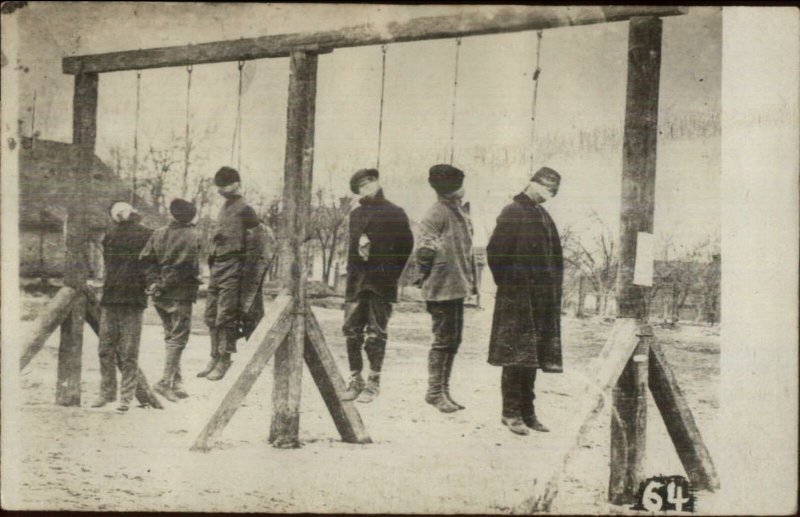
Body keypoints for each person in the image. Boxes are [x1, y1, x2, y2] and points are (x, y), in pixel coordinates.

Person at [486, 166, 564, 435]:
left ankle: (528, 413)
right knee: (515, 355)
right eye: (548, 189)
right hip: (516, 298)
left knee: (531, 357)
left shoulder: (543, 216)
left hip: (540, 300)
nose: (550, 195)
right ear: (534, 183)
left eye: (553, 192)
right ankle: (510, 413)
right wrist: (511, 285)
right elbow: (495, 253)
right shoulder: (512, 211)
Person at [341, 168, 414, 403]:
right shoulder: (356, 214)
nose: (366, 187)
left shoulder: (395, 212)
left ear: (377, 182)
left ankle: (373, 381)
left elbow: (405, 247)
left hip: (381, 283)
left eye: (370, 182)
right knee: (351, 332)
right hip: (356, 282)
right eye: (361, 185)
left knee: (376, 334)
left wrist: (389, 273)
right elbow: (352, 248)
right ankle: (355, 379)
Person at [414, 164, 476, 413]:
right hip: (442, 287)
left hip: (455, 286)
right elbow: (423, 251)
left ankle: (444, 390)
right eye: (461, 184)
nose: (464, 188)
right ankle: (434, 392)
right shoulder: (437, 213)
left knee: (453, 340)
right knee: (443, 341)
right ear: (452, 188)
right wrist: (429, 275)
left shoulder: (457, 211)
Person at [199, 166, 263, 381]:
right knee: (210, 313)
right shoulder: (224, 207)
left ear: (236, 184)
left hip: (234, 267)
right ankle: (214, 356)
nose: (221, 190)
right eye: (219, 186)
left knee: (226, 314)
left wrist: (245, 270)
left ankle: (225, 358)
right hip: (218, 266)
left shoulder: (246, 209)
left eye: (224, 185)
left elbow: (256, 242)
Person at [91, 201, 153, 412]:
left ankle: (119, 396)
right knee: (119, 350)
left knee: (114, 350)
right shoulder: (113, 234)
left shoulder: (141, 234)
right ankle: (114, 395)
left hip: (125, 298)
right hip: (119, 298)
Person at [139, 198, 202, 401]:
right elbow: (186, 269)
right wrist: (164, 284)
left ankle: (177, 381)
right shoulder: (192, 236)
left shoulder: (158, 233)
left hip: (159, 296)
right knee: (178, 338)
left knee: (171, 337)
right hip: (179, 295)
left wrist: (154, 284)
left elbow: (146, 260)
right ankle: (165, 382)